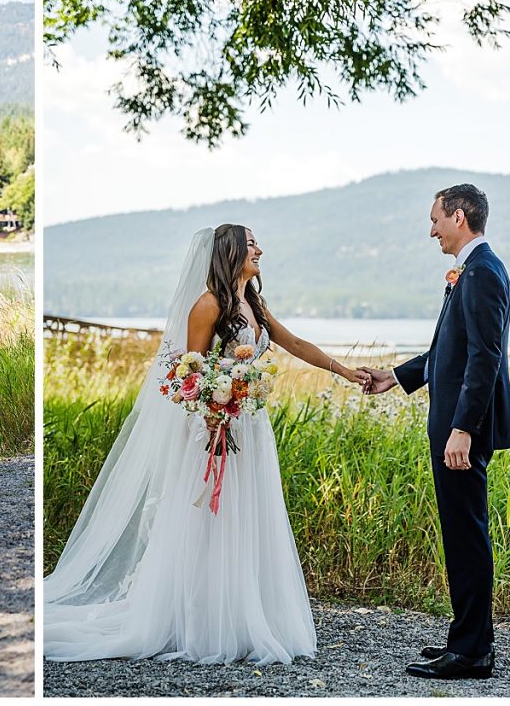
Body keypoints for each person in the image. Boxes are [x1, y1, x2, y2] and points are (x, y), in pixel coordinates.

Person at [44, 224, 371, 664]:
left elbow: (292, 343)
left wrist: (344, 371)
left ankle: (243, 613)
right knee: (211, 522)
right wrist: (217, 406)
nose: (261, 251)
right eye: (253, 244)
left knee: (248, 516)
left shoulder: (253, 303)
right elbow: (187, 373)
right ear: (232, 252)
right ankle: (201, 620)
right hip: (212, 431)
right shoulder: (208, 305)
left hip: (250, 429)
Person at [364, 184, 510, 680]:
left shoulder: (483, 273)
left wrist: (463, 430)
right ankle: (466, 639)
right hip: (454, 428)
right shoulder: (471, 272)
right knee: (459, 531)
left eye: (435, 220)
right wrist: (396, 377)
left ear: (457, 216)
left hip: (461, 433)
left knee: (467, 534)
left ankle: (473, 652)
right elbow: (448, 351)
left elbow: (484, 358)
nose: (431, 230)